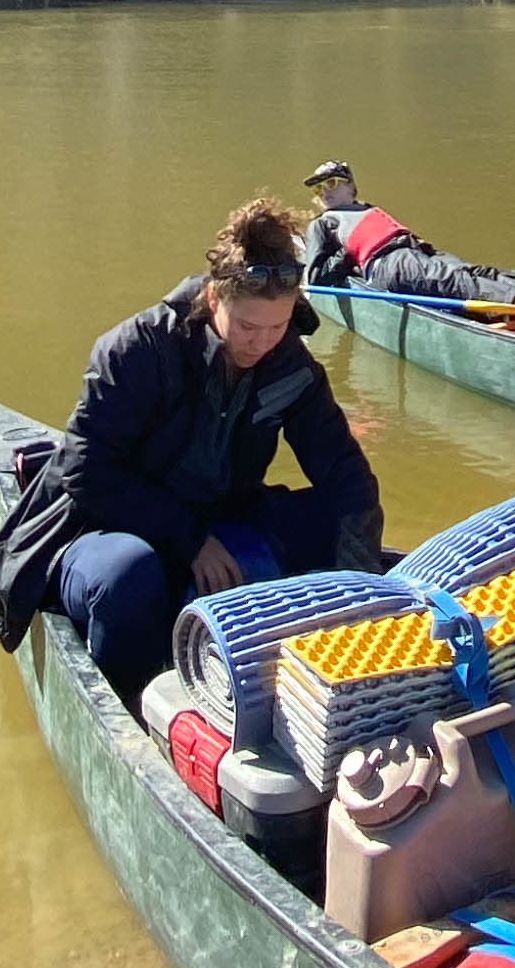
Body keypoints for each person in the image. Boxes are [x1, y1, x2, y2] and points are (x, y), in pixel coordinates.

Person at [52, 197, 386, 698]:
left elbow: (345, 472)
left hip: (220, 517)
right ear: (213, 299)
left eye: (277, 327)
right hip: (106, 530)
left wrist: (360, 592)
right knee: (130, 576)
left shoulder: (289, 365)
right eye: (248, 327)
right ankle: (137, 706)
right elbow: (84, 472)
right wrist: (190, 542)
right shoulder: (136, 350)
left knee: (337, 517)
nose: (261, 343)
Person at [298, 159, 515, 308]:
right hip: (387, 263)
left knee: (477, 272)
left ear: (350, 186)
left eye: (332, 183)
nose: (325, 192)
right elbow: (316, 276)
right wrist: (346, 257)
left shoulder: (365, 209)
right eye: (318, 189)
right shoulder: (324, 223)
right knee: (453, 281)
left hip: (415, 251)